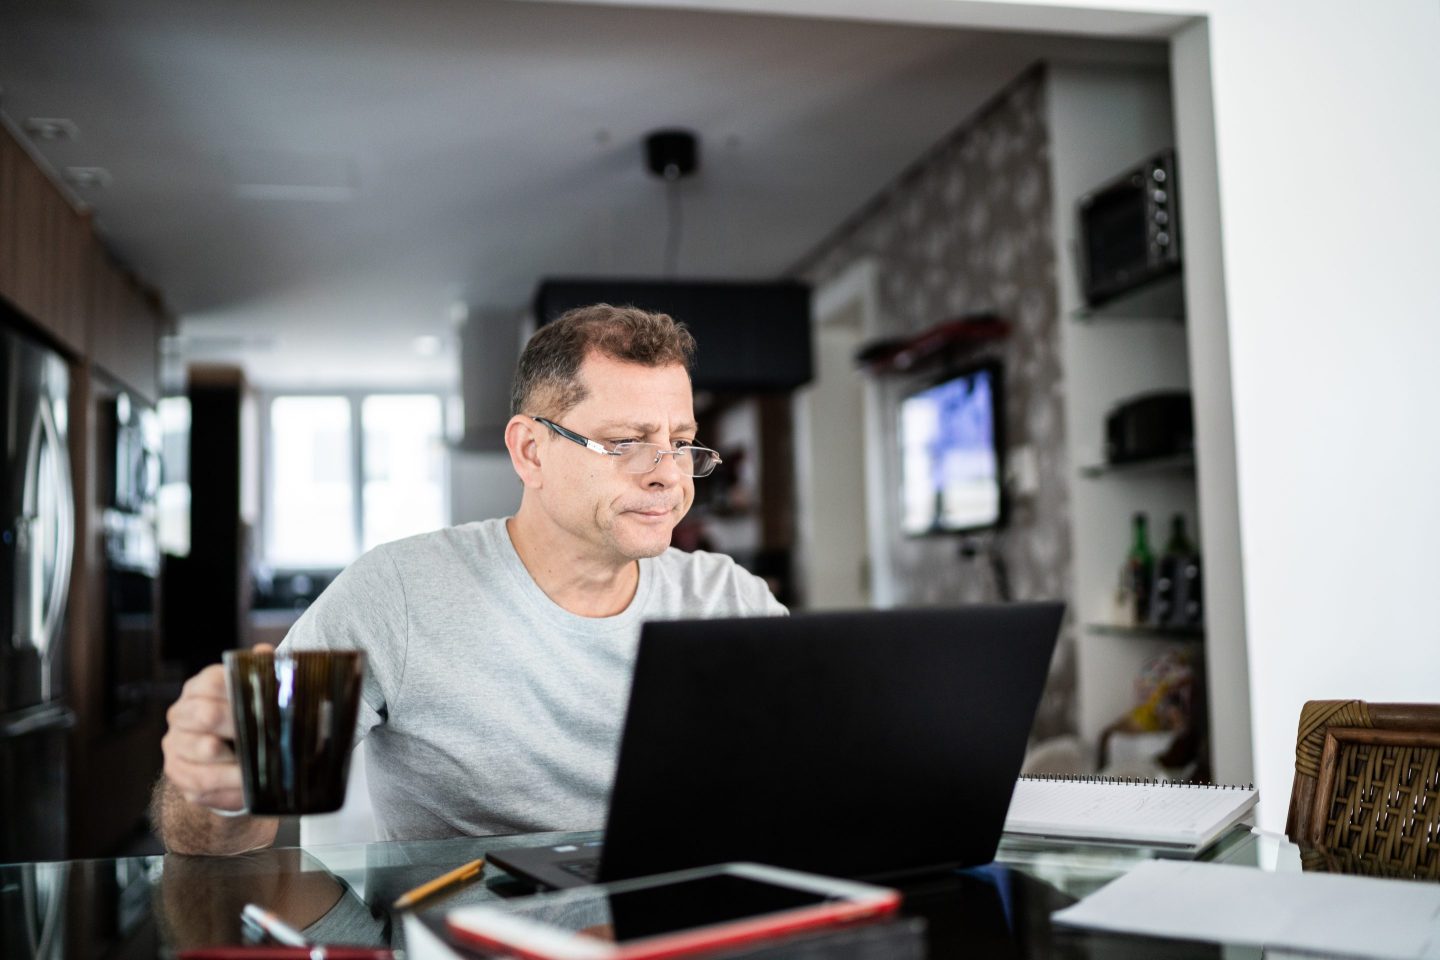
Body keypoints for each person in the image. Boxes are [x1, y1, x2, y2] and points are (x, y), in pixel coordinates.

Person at [154, 305, 786, 855]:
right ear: (531, 452)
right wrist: (217, 789)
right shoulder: (395, 594)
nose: (668, 476)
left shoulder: (728, 598)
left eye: (682, 443)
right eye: (626, 442)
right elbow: (223, 831)